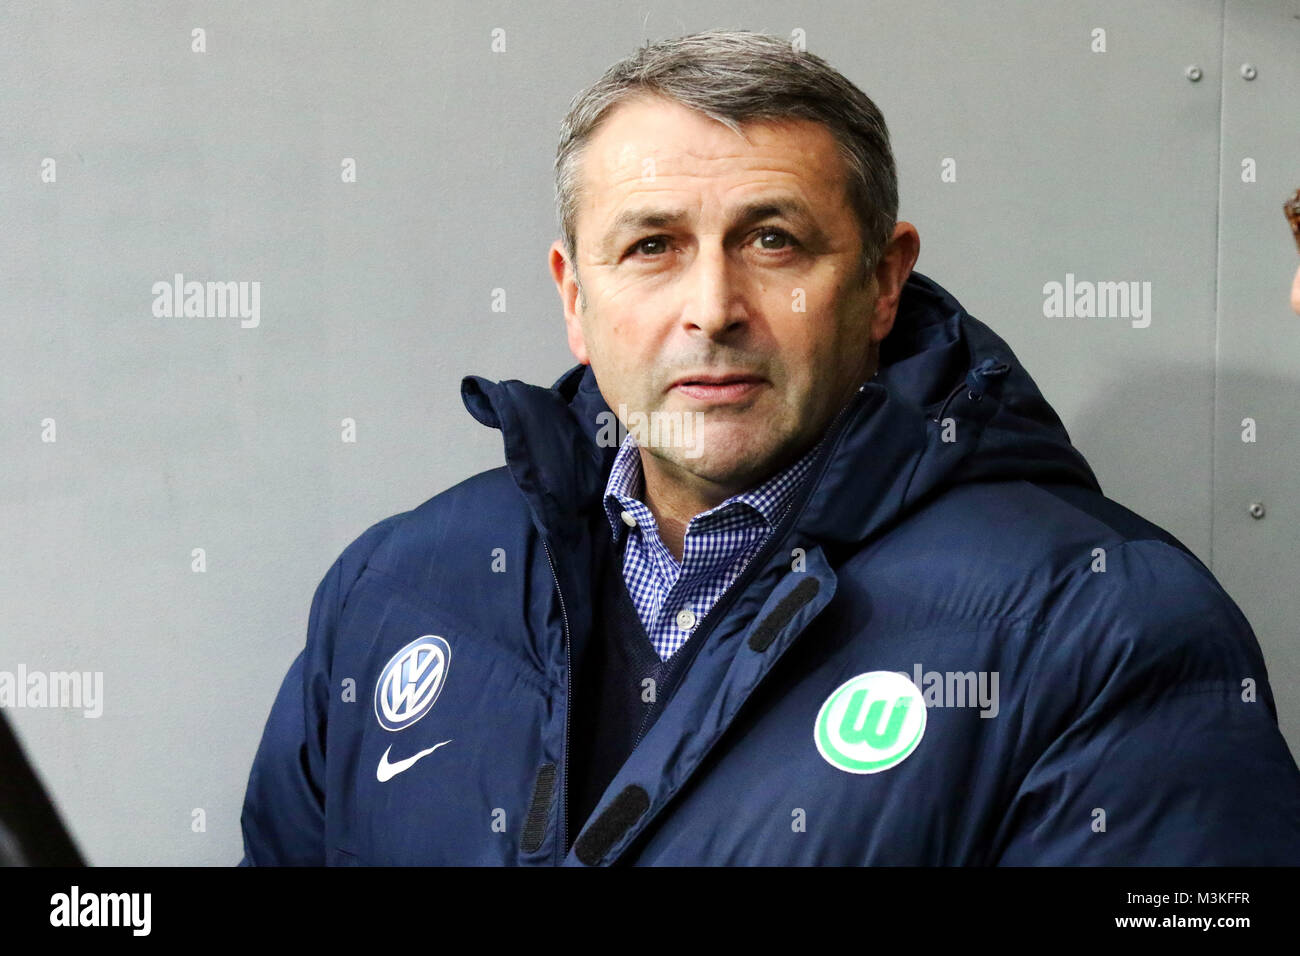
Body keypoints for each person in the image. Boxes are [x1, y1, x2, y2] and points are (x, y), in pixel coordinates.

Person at [239, 30, 1300, 865]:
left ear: (884, 281)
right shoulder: (399, 587)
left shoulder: (1103, 624)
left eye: (773, 240)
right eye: (652, 246)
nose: (712, 307)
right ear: (575, 294)